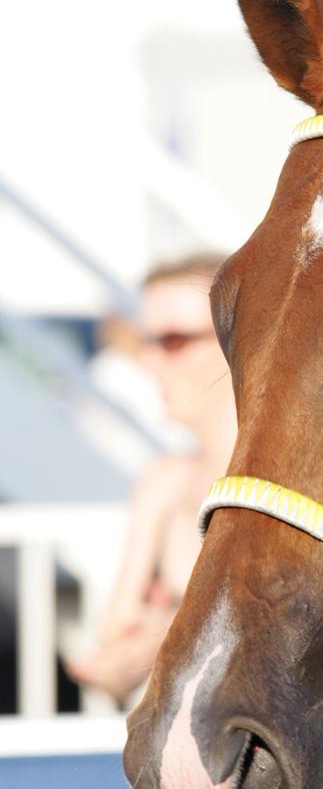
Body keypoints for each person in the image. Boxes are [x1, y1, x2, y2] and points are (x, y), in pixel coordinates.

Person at [67, 254, 236, 705]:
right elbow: (111, 658)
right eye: (144, 342)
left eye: (173, 341)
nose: (147, 362)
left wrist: (163, 632)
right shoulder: (166, 481)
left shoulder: (300, 477)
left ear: (238, 341)